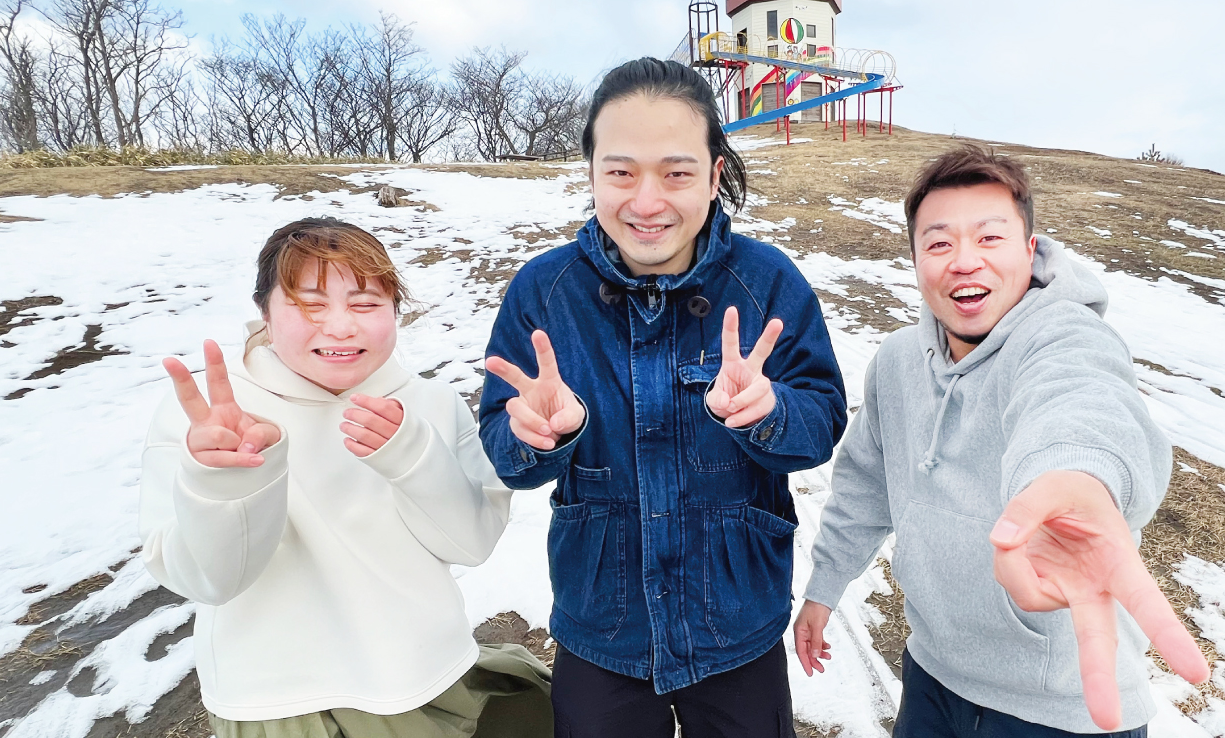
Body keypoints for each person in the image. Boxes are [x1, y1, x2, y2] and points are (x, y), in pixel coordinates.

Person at [478, 58, 847, 738]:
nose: (647, 203)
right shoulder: (544, 293)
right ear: (591, 175)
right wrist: (537, 437)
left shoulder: (767, 282)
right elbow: (506, 456)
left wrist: (771, 415)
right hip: (602, 623)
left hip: (736, 620)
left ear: (713, 175)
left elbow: (820, 422)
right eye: (620, 172)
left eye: (676, 173)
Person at [792, 145, 1209, 737]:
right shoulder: (897, 361)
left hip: (1062, 706)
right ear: (915, 260)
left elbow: (1081, 399)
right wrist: (825, 586)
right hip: (933, 674)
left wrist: (1075, 476)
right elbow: (864, 483)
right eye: (939, 243)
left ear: (1030, 249)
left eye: (990, 238)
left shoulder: (1060, 333)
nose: (965, 261)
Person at [139, 217, 552, 738]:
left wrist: (411, 454)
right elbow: (209, 581)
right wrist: (225, 481)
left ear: (395, 312)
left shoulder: (431, 402)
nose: (340, 327)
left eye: (365, 304)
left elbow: (471, 543)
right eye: (310, 304)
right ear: (264, 310)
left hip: (420, 678)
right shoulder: (209, 416)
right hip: (271, 702)